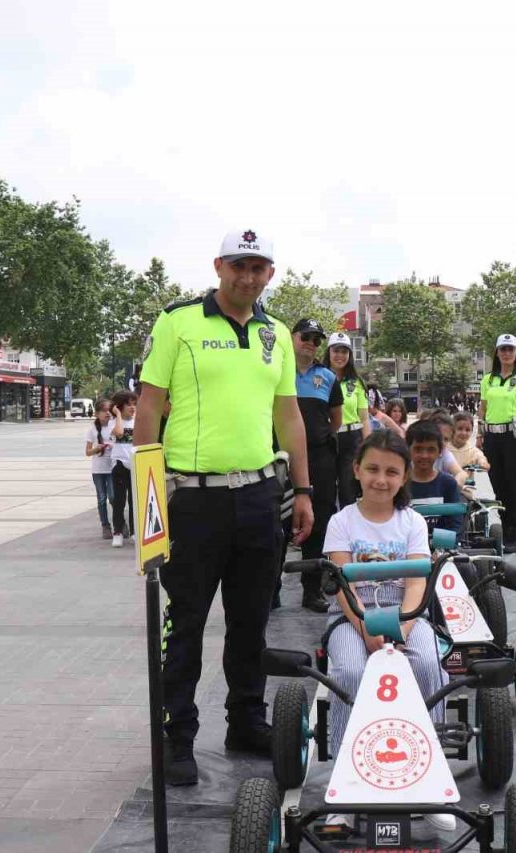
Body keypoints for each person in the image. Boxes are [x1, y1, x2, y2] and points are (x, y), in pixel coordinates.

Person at [133, 228, 313, 787]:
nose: (248, 276)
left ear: (271, 274)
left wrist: (303, 490)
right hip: (192, 499)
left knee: (251, 621)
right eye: (239, 265)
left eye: (259, 267)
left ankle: (246, 721)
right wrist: (147, 503)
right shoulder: (178, 322)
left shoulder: (276, 333)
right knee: (184, 623)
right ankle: (177, 735)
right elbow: (148, 409)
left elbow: (289, 416)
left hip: (260, 496)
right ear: (219, 266)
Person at [322, 430, 453, 835]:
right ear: (357, 470)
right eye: (373, 469)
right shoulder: (341, 521)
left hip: (405, 613)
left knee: (430, 666)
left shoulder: (411, 522)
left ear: (403, 477)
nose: (381, 479)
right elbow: (343, 584)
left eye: (391, 472)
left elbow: (417, 581)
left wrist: (402, 625)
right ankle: (345, 791)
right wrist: (366, 629)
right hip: (353, 616)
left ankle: (429, 783)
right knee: (347, 674)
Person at [288, 317, 342, 613]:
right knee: (277, 524)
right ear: (292, 337)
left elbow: (336, 418)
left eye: (316, 339)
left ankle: (311, 591)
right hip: (281, 457)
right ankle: (271, 590)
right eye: (305, 336)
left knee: (318, 523)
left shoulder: (328, 378)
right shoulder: (278, 371)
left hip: (320, 458)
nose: (310, 343)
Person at [477, 333, 516, 553]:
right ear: (497, 353)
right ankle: (505, 527)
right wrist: (480, 435)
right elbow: (483, 408)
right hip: (492, 438)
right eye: (503, 349)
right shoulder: (489, 379)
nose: (507, 353)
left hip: (514, 437)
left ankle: (515, 532)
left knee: (514, 485)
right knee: (498, 484)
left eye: (510, 349)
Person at [326, 331, 373, 509]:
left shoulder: (357, 382)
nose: (340, 356)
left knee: (348, 490)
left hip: (352, 439)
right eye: (336, 351)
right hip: (328, 438)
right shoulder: (319, 378)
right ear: (328, 352)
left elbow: (364, 418)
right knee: (326, 489)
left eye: (344, 351)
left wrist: (368, 446)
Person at [406, 419, 464, 532]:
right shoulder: (399, 484)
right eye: (418, 449)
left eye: (431, 449)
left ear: (440, 451)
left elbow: (455, 525)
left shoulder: (448, 484)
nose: (424, 455)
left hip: (442, 546)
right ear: (408, 449)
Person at [108, 390, 138, 547]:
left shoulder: (138, 421)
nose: (132, 407)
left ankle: (134, 532)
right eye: (128, 404)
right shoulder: (114, 422)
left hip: (135, 464)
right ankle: (118, 532)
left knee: (135, 501)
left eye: (134, 404)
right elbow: (119, 434)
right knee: (119, 501)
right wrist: (118, 415)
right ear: (119, 407)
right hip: (120, 464)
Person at [84, 399, 115, 539]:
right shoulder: (92, 429)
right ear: (97, 414)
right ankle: (105, 525)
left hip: (112, 468)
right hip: (98, 470)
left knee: (114, 497)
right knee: (102, 498)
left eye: (109, 410)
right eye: (104, 411)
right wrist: (97, 448)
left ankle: (119, 523)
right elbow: (88, 452)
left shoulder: (114, 425)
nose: (107, 413)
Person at [449, 412, 490, 502]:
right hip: (443, 491)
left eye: (467, 430)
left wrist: (483, 463)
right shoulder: (444, 448)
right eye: (460, 429)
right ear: (452, 429)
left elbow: (480, 457)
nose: (464, 433)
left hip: (463, 493)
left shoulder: (472, 450)